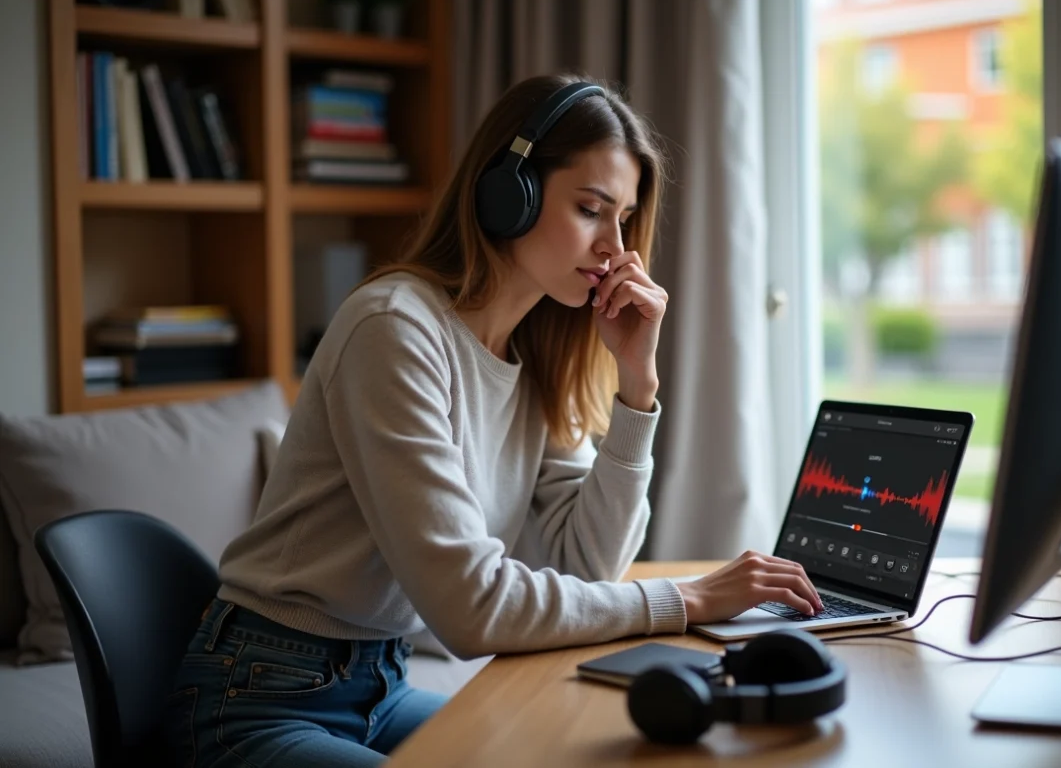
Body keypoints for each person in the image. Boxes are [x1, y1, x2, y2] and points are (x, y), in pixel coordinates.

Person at [163, 73, 823, 768]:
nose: (614, 248)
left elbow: (586, 564)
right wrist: (686, 598)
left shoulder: (534, 350)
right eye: (592, 209)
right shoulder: (395, 330)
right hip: (260, 697)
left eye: (624, 219)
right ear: (511, 192)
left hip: (381, 683)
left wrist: (637, 388)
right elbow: (472, 609)